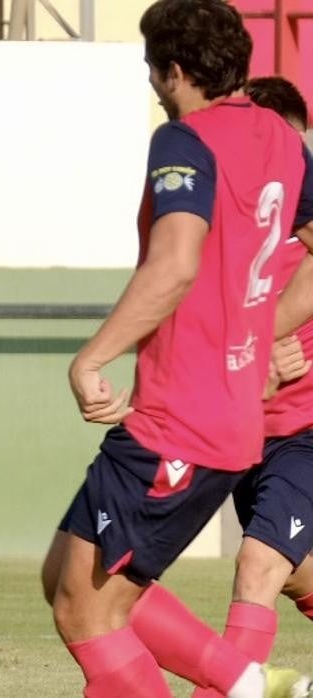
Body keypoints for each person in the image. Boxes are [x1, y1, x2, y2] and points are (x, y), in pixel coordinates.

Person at [40, 1, 313, 695]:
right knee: (68, 579)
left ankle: (247, 687)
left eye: (153, 73)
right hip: (231, 421)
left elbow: (176, 263)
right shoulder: (283, 140)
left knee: (87, 609)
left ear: (177, 71)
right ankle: (250, 683)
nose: (153, 88)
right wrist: (260, 335)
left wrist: (90, 358)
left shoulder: (186, 139)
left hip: (178, 419)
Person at [181, 77, 313, 698]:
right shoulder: (233, 223)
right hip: (245, 433)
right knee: (292, 575)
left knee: (258, 565)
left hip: (307, 434)